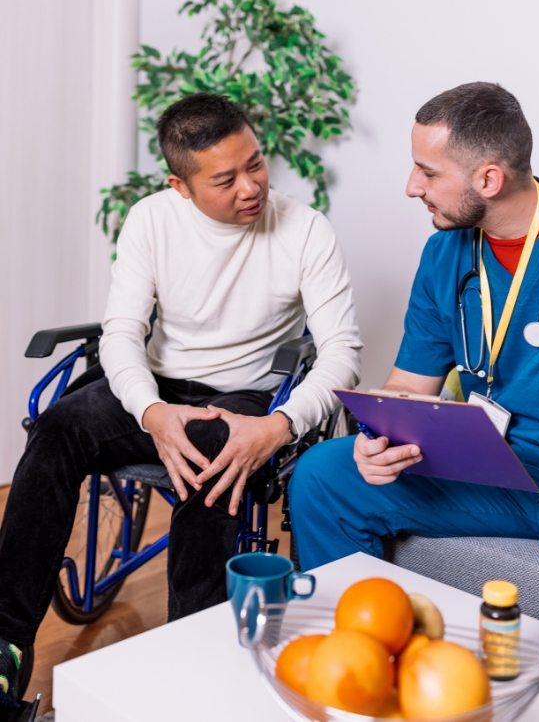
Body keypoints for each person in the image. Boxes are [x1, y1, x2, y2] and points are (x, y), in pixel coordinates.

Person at [0, 92, 361, 713]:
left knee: (217, 460)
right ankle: (4, 649)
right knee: (57, 431)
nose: (251, 186)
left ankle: (191, 669)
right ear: (181, 185)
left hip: (240, 397)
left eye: (256, 163)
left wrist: (279, 424)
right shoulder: (152, 219)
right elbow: (121, 334)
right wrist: (151, 412)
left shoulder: (306, 230)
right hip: (158, 387)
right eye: (226, 179)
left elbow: (341, 355)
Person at [290, 81, 539, 572]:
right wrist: (380, 438)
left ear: (489, 180)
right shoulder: (444, 255)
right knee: (323, 474)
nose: (412, 186)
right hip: (494, 470)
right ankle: (357, 642)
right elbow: (409, 386)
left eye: (428, 173)